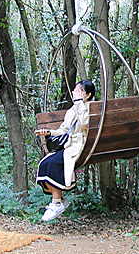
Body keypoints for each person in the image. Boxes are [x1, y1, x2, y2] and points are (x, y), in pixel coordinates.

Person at [35, 80, 95, 221]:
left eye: (79, 91)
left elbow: (85, 123)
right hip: (69, 145)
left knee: (52, 164)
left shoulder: (91, 108)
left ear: (87, 95)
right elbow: (63, 130)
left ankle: (57, 202)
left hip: (81, 146)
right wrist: (49, 133)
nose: (74, 93)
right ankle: (59, 200)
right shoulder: (73, 109)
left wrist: (80, 102)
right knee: (44, 164)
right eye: (75, 91)